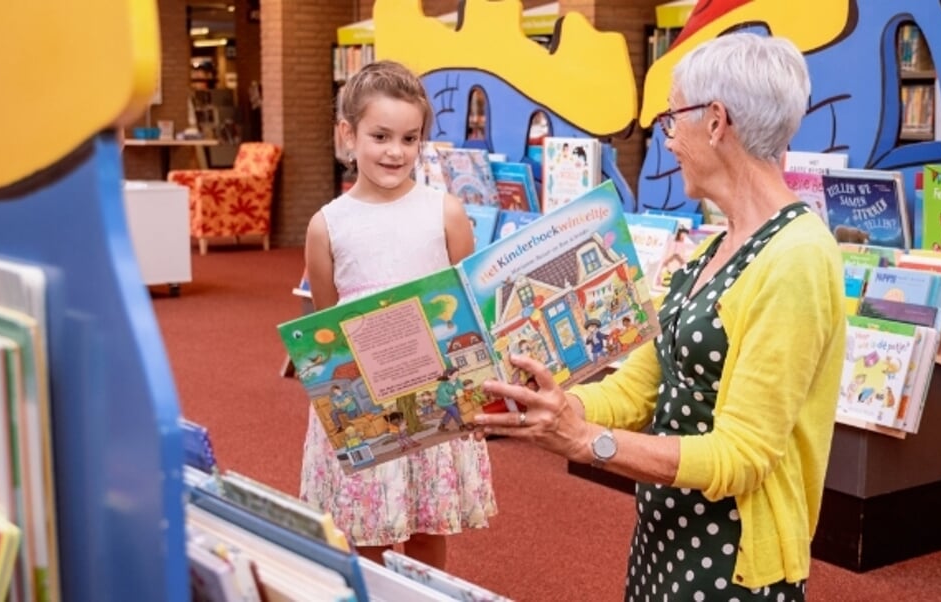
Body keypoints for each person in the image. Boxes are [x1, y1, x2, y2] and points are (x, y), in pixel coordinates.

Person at [475, 33, 846, 601]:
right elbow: (638, 389)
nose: (667, 140)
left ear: (716, 121)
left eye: (672, 120)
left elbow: (741, 457)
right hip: (667, 538)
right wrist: (549, 407)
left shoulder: (797, 257)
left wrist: (586, 441)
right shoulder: (710, 248)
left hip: (735, 564)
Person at [301, 60, 496, 569]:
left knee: (428, 526)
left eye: (409, 139)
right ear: (348, 135)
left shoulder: (445, 211)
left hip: (434, 393)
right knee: (361, 531)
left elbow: (470, 310)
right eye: (380, 136)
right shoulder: (327, 225)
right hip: (363, 400)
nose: (395, 151)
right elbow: (327, 318)